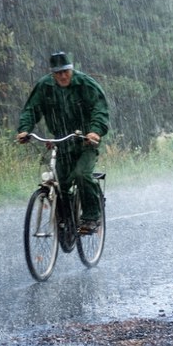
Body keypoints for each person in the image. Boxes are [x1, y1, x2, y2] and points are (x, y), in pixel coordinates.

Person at [17, 52, 109, 233]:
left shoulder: (85, 84)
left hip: (86, 141)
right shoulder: (45, 86)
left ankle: (91, 216)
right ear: (52, 73)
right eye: (58, 73)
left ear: (71, 69)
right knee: (61, 183)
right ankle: (65, 221)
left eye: (66, 71)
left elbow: (100, 108)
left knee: (81, 174)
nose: (63, 76)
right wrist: (25, 129)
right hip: (62, 141)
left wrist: (95, 131)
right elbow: (31, 109)